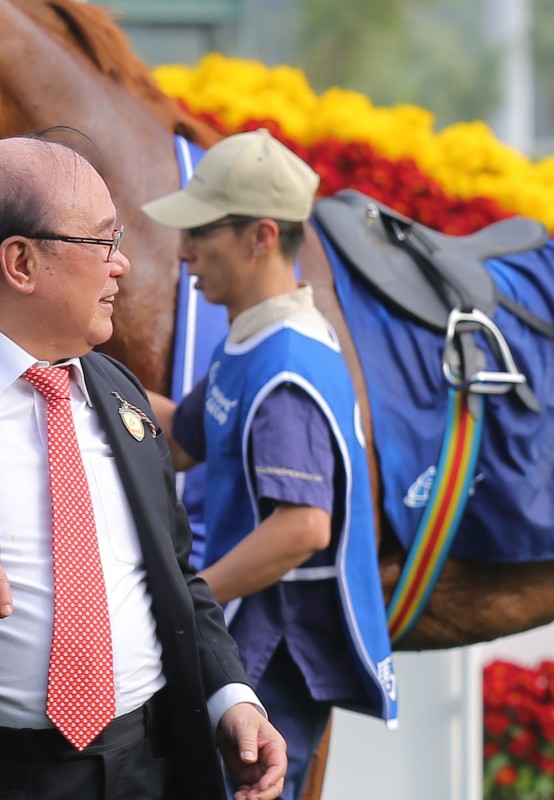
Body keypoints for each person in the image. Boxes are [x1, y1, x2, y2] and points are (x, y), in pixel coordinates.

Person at [0, 133, 286, 800]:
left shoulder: (120, 394)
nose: (121, 265)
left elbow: (176, 574)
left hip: (151, 764)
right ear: (21, 262)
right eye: (101, 242)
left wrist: (231, 700)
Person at [141, 128, 398, 800]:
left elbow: (304, 528)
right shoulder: (254, 337)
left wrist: (185, 604)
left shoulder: (284, 364)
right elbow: (181, 437)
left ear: (260, 236)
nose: (183, 250)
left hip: (269, 655)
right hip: (250, 644)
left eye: (200, 231)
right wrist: (80, 365)